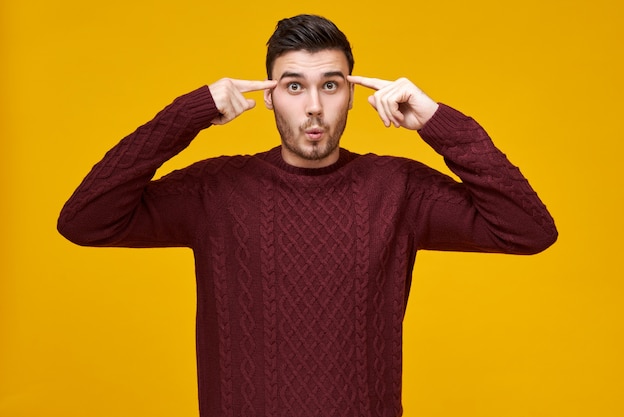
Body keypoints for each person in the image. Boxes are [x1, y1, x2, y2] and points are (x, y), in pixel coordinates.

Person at [57, 14, 557, 417]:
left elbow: (529, 230)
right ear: (270, 95)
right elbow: (85, 219)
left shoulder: (398, 188)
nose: (314, 107)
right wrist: (186, 115)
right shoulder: (215, 189)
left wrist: (435, 119)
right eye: (294, 87)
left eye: (331, 86)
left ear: (353, 96)